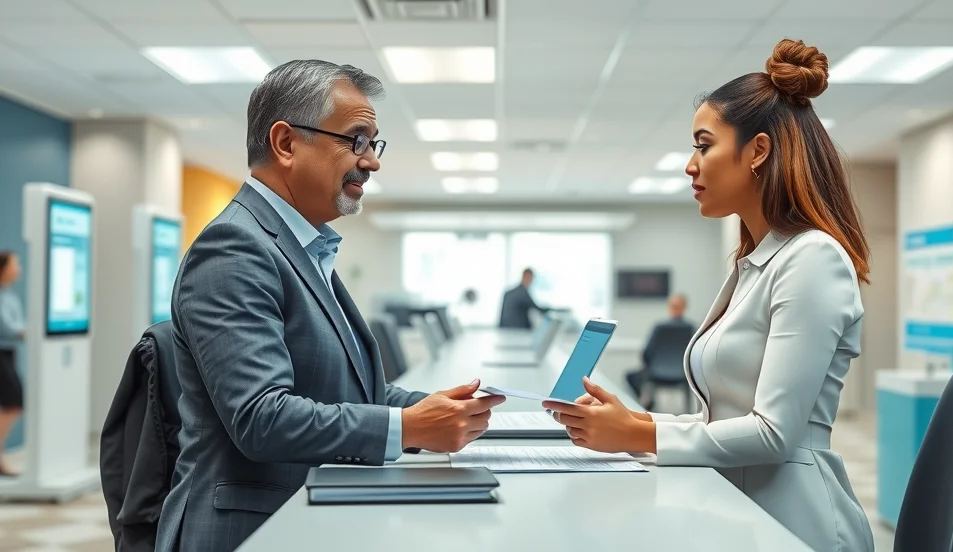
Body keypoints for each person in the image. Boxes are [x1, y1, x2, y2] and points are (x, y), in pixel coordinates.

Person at [155, 60, 505, 552]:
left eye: (373, 144)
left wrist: (433, 410)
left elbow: (340, 391)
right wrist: (408, 427)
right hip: (247, 531)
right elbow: (261, 418)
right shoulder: (235, 248)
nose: (372, 161)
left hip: (305, 513)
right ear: (286, 143)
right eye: (355, 140)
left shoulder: (302, 247)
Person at [544, 39, 874, 552]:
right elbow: (723, 419)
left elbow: (773, 434)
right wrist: (633, 419)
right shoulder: (755, 262)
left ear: (758, 151)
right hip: (738, 508)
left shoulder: (813, 259)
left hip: (795, 526)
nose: (690, 165)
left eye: (703, 145)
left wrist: (638, 436)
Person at [625, 294, 695, 406]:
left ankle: (647, 403)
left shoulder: (660, 327)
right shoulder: (690, 328)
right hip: (683, 374)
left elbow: (646, 354)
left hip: (655, 373)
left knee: (631, 376)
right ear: (685, 307)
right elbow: (694, 354)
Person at [0, 251, 25, 476]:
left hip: (9, 353)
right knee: (13, 403)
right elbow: (8, 327)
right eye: (15, 264)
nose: (18, 268)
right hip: (2, 353)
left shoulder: (9, 295)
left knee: (13, 404)